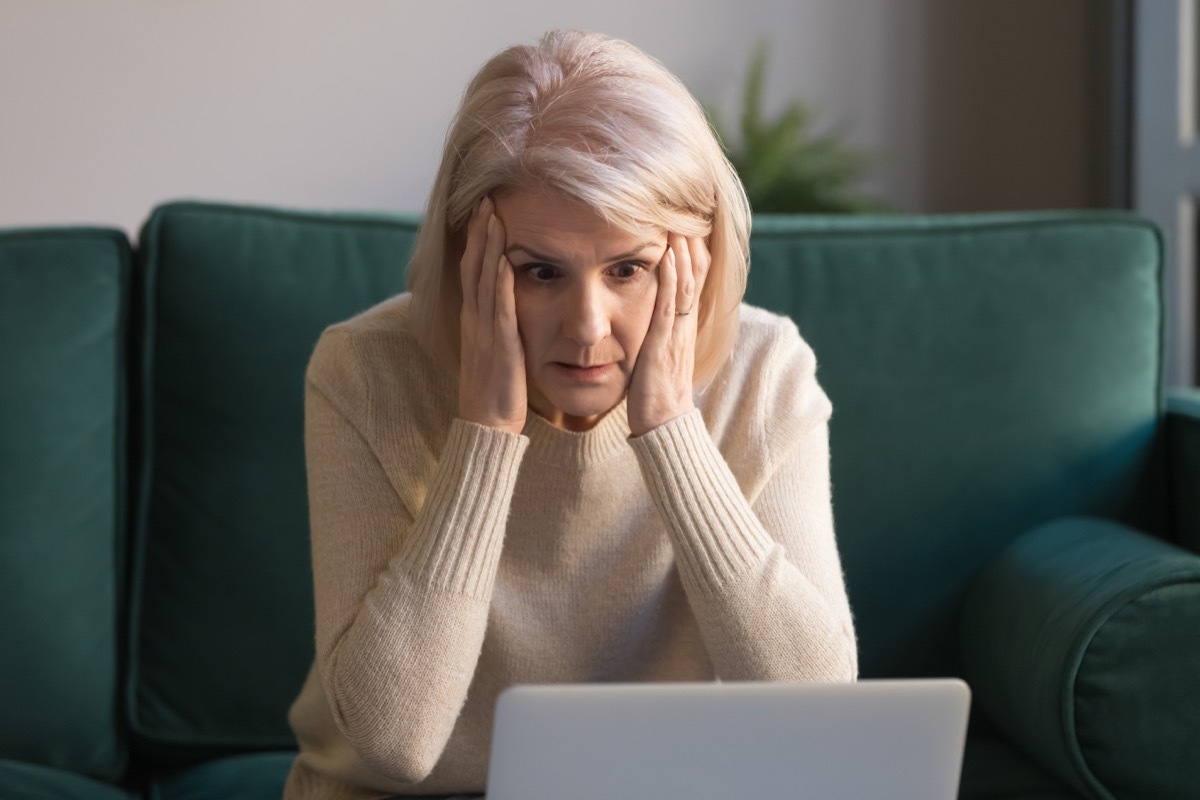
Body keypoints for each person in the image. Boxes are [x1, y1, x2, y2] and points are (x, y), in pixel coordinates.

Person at [283, 29, 858, 800]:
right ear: (468, 257)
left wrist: (669, 427)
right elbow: (396, 743)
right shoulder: (364, 372)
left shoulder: (765, 369)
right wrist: (486, 430)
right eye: (541, 272)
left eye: (629, 269)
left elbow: (818, 718)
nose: (588, 326)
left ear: (700, 253)